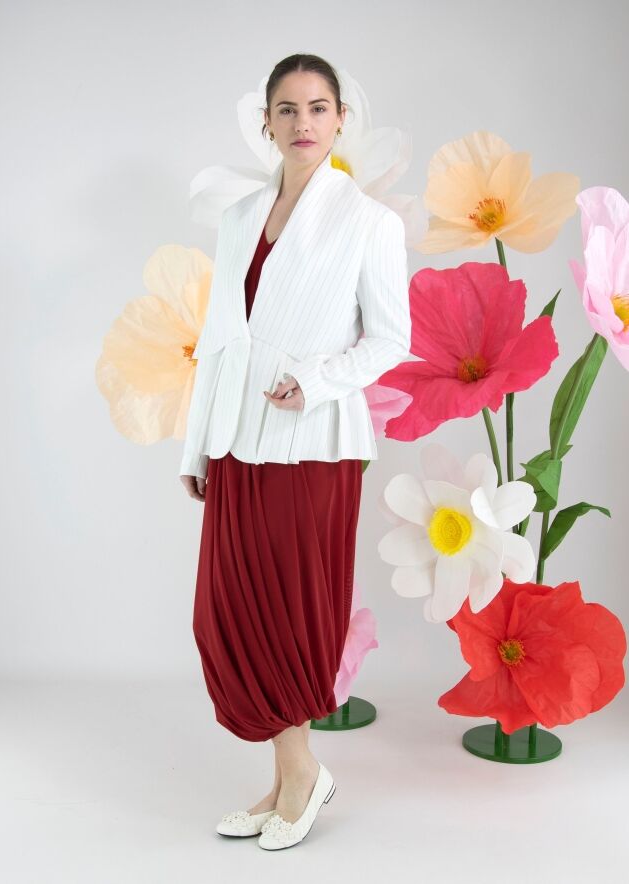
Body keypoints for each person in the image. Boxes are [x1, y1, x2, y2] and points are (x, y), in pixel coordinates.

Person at [179, 54, 410, 850]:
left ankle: (299, 775)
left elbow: (389, 339)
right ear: (267, 124)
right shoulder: (239, 216)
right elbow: (218, 340)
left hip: (311, 442)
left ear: (340, 119)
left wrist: (314, 382)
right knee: (228, 611)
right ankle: (289, 778)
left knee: (288, 607)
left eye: (317, 108)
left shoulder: (369, 223)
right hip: (235, 438)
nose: (302, 122)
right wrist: (196, 447)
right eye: (287, 109)